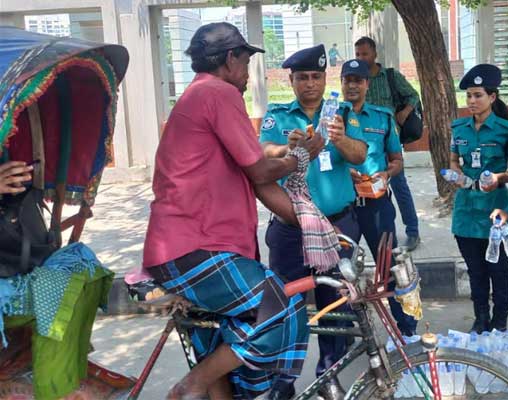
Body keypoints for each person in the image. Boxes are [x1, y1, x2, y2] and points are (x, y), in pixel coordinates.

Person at [142, 23, 320, 399]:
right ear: (228, 59)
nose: (246, 74)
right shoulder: (217, 93)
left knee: (231, 371)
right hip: (194, 248)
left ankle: (204, 382)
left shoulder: (198, 96)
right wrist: (303, 156)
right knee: (285, 307)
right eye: (245, 62)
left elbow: (258, 181)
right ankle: (193, 384)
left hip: (186, 248)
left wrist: (311, 225)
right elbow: (260, 171)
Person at [259, 44, 368, 400]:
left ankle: (329, 378)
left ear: (325, 79)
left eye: (316, 76)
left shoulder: (340, 114)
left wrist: (339, 139)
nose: (310, 83)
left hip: (337, 227)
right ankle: (282, 384)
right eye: (302, 77)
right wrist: (287, 149)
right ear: (291, 80)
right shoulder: (278, 115)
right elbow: (261, 153)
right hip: (291, 229)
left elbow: (361, 153)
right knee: (285, 309)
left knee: (335, 306)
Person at [340, 59, 418, 337]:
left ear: (366, 85)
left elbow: (397, 160)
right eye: (347, 80)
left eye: (357, 80)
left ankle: (407, 330)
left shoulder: (382, 117)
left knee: (390, 268)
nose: (352, 85)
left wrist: (386, 174)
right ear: (342, 83)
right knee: (342, 273)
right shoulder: (332, 117)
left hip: (376, 205)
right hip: (343, 210)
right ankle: (345, 333)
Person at [449, 64, 508, 334]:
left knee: (499, 271)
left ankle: (501, 318)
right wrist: (457, 174)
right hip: (466, 210)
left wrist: (498, 178)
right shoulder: (459, 128)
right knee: (476, 270)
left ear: (492, 97)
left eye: (478, 95)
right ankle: (480, 317)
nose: (472, 101)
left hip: (496, 211)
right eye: (469, 96)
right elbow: (453, 159)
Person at [354, 36, 421, 251]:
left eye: (365, 54)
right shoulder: (356, 79)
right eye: (357, 54)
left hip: (389, 145)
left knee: (399, 186)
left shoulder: (390, 76)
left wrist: (403, 113)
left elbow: (413, 96)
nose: (361, 58)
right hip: (364, 149)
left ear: (374, 54)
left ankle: (412, 231)